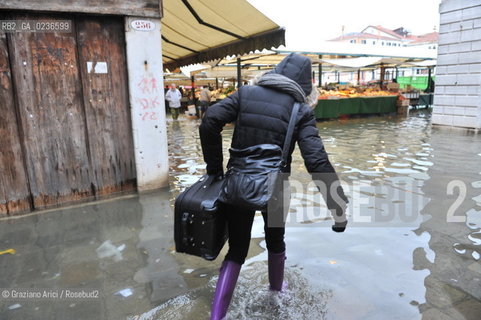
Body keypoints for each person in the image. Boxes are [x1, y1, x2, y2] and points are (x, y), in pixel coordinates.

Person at [199, 53, 349, 320]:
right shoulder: (300, 110)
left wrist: (215, 171)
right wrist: (337, 207)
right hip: (276, 187)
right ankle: (277, 293)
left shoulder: (245, 94)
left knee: (236, 250)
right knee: (275, 242)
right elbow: (316, 160)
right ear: (305, 85)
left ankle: (217, 316)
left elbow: (210, 120)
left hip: (238, 182)